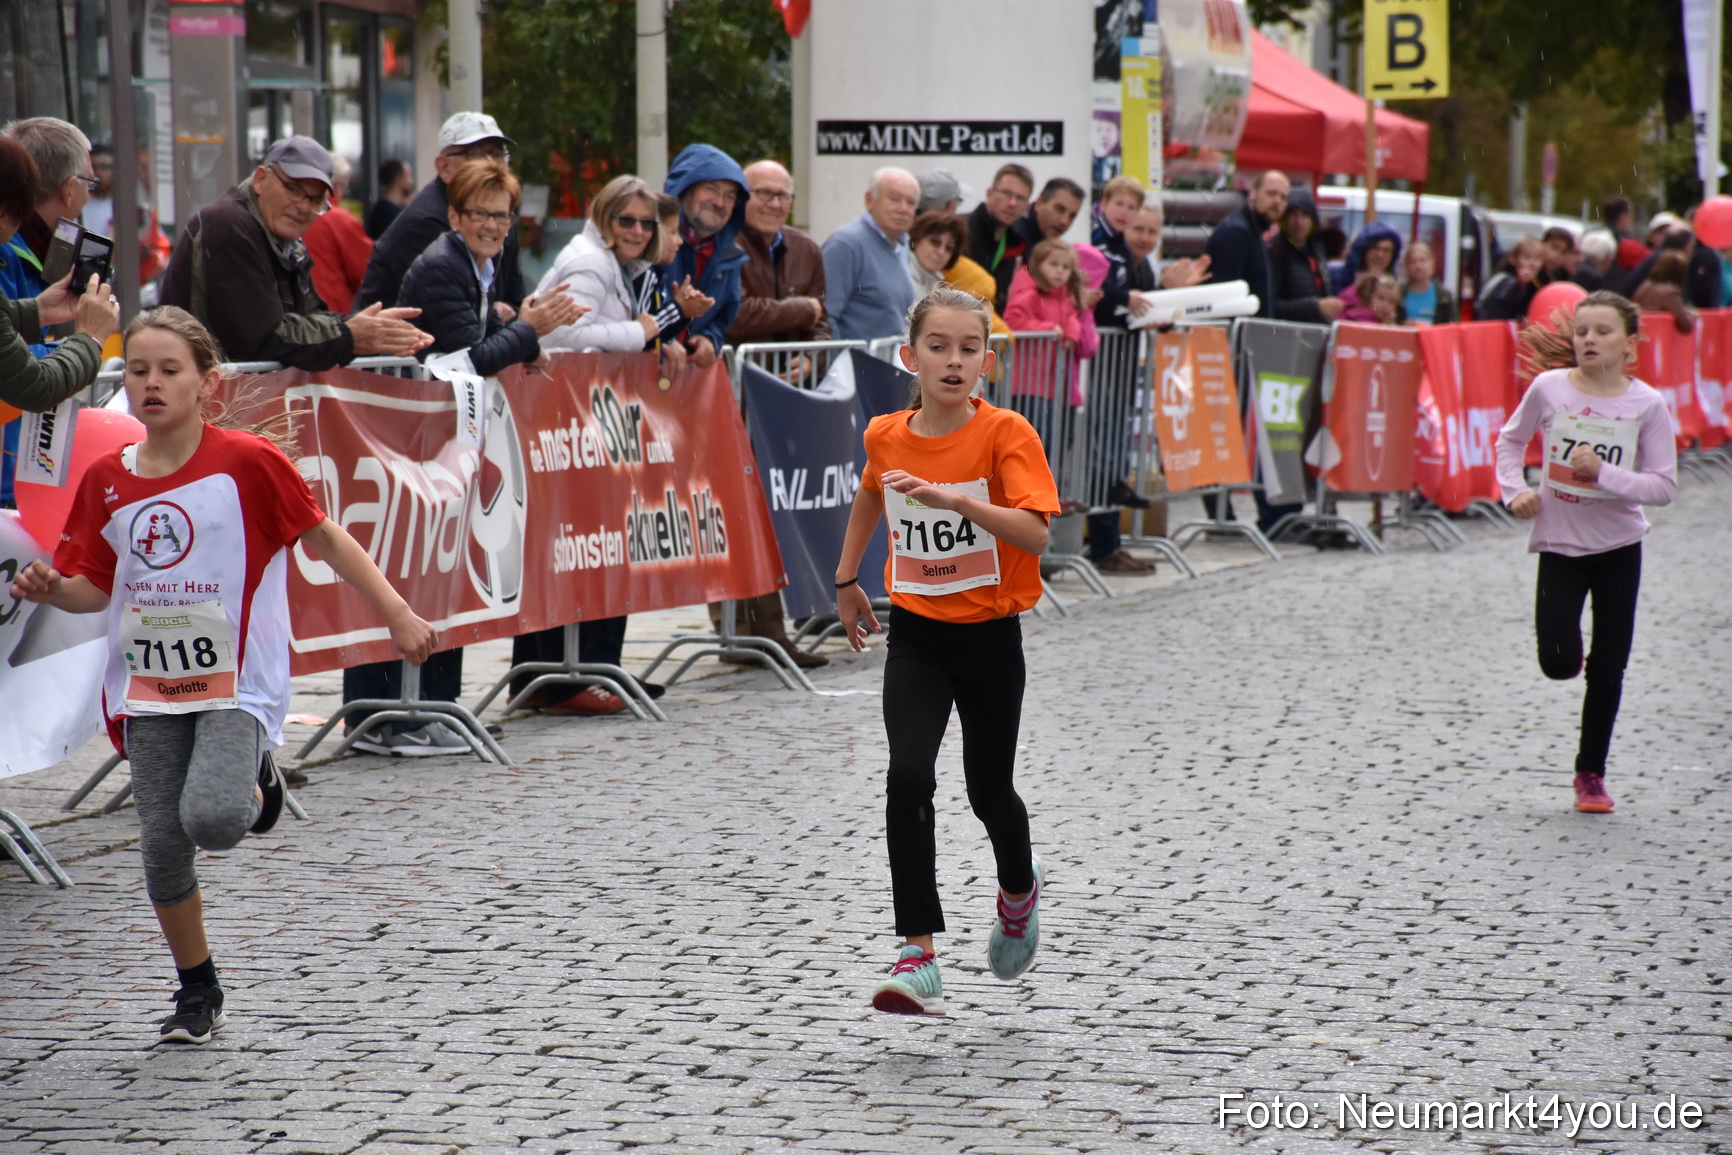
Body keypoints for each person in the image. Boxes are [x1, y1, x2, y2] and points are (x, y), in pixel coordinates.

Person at [8, 306, 438, 1043]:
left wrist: (397, 612)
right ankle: (197, 989)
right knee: (162, 842)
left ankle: (257, 780)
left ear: (207, 382)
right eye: (137, 368)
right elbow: (96, 587)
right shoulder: (109, 478)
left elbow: (325, 538)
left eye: (169, 370)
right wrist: (54, 589)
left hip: (239, 677)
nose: (150, 383)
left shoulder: (248, 461)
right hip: (148, 681)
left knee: (211, 817)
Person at [833, 286, 1059, 1015]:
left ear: (987, 362)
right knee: (907, 775)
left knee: (989, 792)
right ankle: (917, 951)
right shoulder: (885, 434)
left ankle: (1018, 893)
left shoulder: (1006, 434)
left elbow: (1035, 533)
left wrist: (958, 501)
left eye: (969, 349)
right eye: (939, 346)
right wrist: (846, 576)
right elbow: (873, 489)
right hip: (920, 634)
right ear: (910, 356)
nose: (953, 361)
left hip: (992, 637)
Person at [1495, 291, 1676, 814]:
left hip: (1619, 545)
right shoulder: (1549, 389)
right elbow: (1509, 442)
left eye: (1602, 332)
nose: (1589, 340)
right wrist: (1515, 491)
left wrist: (1606, 475)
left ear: (1630, 345)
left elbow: (1663, 487)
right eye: (1581, 332)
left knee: (1609, 666)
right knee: (1557, 662)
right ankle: (1567, 660)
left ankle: (1591, 773)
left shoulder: (1646, 404)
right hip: (1560, 543)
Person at [524, 175, 681, 715]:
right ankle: (569, 679)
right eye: (626, 220)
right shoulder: (590, 262)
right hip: (571, 420)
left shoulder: (616, 261)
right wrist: (637, 334)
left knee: (593, 544)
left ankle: (583, 672)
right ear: (604, 216)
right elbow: (564, 335)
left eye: (645, 222)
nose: (637, 231)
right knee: (582, 543)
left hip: (590, 421)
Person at [158, 136, 431, 370]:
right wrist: (350, 334)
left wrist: (360, 327)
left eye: (314, 200)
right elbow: (265, 338)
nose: (302, 206)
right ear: (261, 180)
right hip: (204, 406)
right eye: (293, 189)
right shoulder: (229, 225)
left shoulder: (283, 238)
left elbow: (309, 315)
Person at [400, 159, 583, 377]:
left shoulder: (481, 261)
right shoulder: (441, 267)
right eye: (479, 213)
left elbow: (492, 333)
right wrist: (529, 327)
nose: (491, 225)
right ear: (454, 218)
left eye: (501, 215)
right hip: (415, 400)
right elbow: (475, 360)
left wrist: (531, 347)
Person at [353, 113, 526, 314]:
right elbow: (458, 319)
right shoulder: (427, 222)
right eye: (476, 154)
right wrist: (516, 324)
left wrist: (514, 319)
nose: (491, 164)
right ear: (444, 167)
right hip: (392, 341)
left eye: (498, 154)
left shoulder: (500, 214)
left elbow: (514, 303)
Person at [0, 136, 118, 413]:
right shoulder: (9, 252)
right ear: (4, 213)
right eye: (24, 212)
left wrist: (37, 311)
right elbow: (35, 386)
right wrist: (89, 337)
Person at [663, 144, 751, 367]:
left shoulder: (730, 256)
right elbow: (632, 307)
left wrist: (710, 339)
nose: (719, 202)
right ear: (685, 189)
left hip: (688, 382)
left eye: (730, 196)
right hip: (632, 382)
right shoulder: (650, 240)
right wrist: (660, 341)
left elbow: (724, 318)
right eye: (711, 189)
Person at [1003, 237, 1095, 452]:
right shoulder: (1029, 294)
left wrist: (1071, 333)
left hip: (1047, 382)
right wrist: (1047, 329)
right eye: (1053, 265)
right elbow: (1013, 320)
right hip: (1026, 381)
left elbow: (1071, 316)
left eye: (1065, 267)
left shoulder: (1061, 298)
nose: (1059, 272)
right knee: (1032, 439)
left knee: (1046, 439)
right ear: (1037, 265)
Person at [726, 159, 829, 345]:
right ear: (741, 197)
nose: (775, 204)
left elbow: (822, 320)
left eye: (783, 196)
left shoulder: (806, 248)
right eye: (763, 193)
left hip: (796, 373)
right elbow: (735, 314)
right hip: (740, 371)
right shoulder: (724, 243)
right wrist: (804, 308)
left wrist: (812, 358)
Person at [822, 167, 920, 341]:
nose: (903, 208)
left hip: (888, 362)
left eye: (911, 202)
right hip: (854, 364)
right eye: (894, 199)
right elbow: (825, 317)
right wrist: (842, 364)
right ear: (869, 200)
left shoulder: (901, 243)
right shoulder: (846, 244)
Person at [906, 211, 1009, 336]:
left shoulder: (939, 285)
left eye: (949, 248)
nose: (941, 252)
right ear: (916, 239)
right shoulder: (902, 275)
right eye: (934, 242)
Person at [1202, 171, 1288, 319]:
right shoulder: (1237, 232)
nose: (1277, 201)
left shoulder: (1254, 231)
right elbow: (1223, 296)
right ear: (1253, 193)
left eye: (1283, 197)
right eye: (1271, 193)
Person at [301, 155, 373, 314]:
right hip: (335, 314)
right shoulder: (341, 221)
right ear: (338, 186)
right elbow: (366, 275)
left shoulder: (292, 214)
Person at [964, 163, 1036, 313]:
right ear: (989, 193)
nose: (1012, 203)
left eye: (1020, 198)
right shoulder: (960, 229)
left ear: (1027, 207)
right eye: (1006, 193)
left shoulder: (1020, 247)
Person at [1267, 190, 1345, 324]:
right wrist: (1315, 306)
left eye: (1304, 215)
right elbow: (1271, 305)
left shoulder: (1317, 251)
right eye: (1293, 215)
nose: (1298, 222)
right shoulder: (1275, 251)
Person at [1089, 176, 1155, 327]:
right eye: (1119, 204)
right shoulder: (1093, 236)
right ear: (1104, 204)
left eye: (1132, 208)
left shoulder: (1125, 249)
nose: (1124, 212)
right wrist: (1125, 298)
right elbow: (1093, 283)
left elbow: (1123, 291)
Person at [1630, 249, 1696, 334]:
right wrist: (1692, 317)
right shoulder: (1670, 293)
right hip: (1655, 336)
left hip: (1639, 334)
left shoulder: (1645, 285)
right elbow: (1685, 325)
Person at [1477, 238, 1543, 321]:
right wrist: (1521, 283)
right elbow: (1510, 295)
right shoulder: (1504, 279)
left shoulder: (1533, 284)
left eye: (1537, 258)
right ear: (1514, 259)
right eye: (1527, 257)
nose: (1533, 263)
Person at [1330, 220, 1401, 295]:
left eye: (1386, 251)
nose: (1380, 255)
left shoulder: (1396, 288)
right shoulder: (1336, 277)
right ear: (1363, 250)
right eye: (1375, 248)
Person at [1397, 242, 1457, 325]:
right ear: (1407, 266)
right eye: (1413, 262)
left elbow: (1453, 326)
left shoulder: (1444, 296)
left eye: (1423, 261)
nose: (1418, 266)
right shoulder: (1398, 293)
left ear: (1432, 263)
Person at [1539, 226, 1602, 292]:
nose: (1556, 255)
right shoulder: (1531, 274)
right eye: (1554, 247)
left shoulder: (1555, 279)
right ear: (1542, 243)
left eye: (1563, 252)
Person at [365, 158, 414, 241]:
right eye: (408, 176)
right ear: (397, 179)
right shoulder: (388, 214)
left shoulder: (382, 209)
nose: (412, 181)